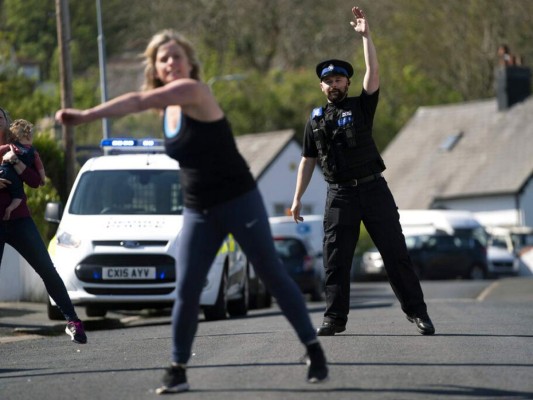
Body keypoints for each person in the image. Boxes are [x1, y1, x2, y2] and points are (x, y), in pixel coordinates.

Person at [55, 29, 328, 393]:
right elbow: (146, 102)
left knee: (273, 275)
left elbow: (136, 99)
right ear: (155, 66)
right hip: (199, 208)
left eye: (176, 56)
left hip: (238, 199)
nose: (171, 63)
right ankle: (178, 367)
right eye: (163, 58)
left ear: (189, 62)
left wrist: (85, 115)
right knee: (185, 289)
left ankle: (314, 349)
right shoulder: (167, 107)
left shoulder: (195, 91)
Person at [290, 7, 435, 337]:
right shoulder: (314, 121)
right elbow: (307, 160)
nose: (333, 84)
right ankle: (333, 319)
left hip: (373, 190)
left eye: (338, 79)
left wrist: (367, 36)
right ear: (321, 86)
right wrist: (297, 198)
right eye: (328, 81)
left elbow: (374, 72)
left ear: (348, 82)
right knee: (335, 261)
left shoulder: (361, 106)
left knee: (395, 253)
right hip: (339, 196)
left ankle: (418, 313)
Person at [0, 107, 86, 344]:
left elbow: (36, 181)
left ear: (8, 122)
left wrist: (16, 161)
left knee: (47, 269)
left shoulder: (22, 149)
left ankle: (73, 321)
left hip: (20, 220)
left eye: (0, 115)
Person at [0, 119, 46, 220]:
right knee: (18, 195)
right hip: (12, 181)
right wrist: (43, 179)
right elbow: (40, 168)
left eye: (1, 118)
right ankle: (10, 209)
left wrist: (15, 161)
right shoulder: (31, 152)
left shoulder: (9, 147)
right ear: (29, 136)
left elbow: (35, 182)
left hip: (19, 216)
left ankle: (10, 210)